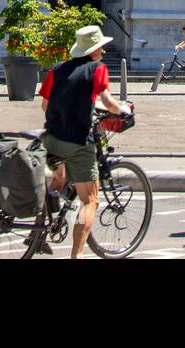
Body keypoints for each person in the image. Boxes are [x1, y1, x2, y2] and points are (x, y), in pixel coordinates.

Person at [38, 25, 131, 259]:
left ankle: (38, 233)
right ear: (95, 50)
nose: (102, 51)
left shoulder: (57, 69)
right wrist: (123, 111)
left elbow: (45, 106)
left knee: (57, 180)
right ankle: (76, 255)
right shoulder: (97, 69)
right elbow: (108, 102)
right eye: (101, 47)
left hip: (52, 137)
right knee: (89, 200)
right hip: (78, 140)